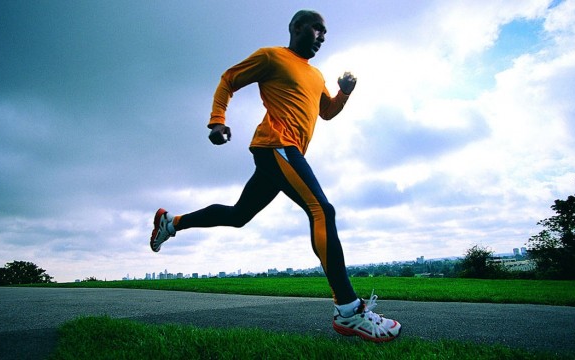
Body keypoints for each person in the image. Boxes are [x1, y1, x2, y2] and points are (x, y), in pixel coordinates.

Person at [150, 10, 401, 342]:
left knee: (239, 215)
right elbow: (229, 79)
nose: (322, 36)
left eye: (325, 32)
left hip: (286, 153)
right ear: (296, 28)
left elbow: (325, 113)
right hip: (276, 145)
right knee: (322, 210)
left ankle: (172, 221)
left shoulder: (315, 74)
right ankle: (349, 311)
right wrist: (216, 120)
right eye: (316, 29)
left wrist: (344, 93)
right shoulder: (272, 57)